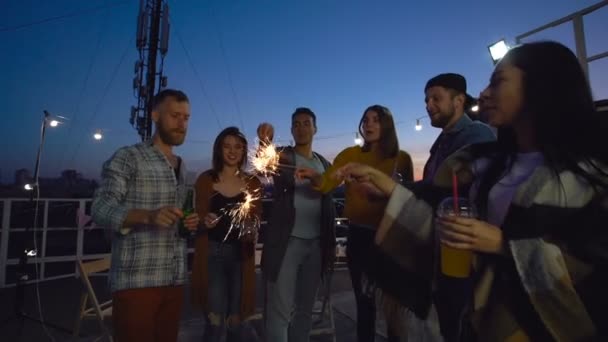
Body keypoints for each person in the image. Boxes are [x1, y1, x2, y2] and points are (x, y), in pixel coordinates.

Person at [337, 41, 608, 341]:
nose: (484, 94)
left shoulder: (591, 175)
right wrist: (387, 186)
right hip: (479, 318)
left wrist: (504, 245)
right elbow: (437, 201)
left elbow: (592, 268)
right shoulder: (487, 163)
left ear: (541, 85)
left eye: (498, 81)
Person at [297, 105, 413, 342]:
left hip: (392, 240)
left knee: (395, 308)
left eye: (376, 120)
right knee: (365, 304)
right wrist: (314, 176)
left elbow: (408, 201)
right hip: (360, 239)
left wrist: (381, 192)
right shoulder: (350, 155)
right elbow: (327, 184)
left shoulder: (402, 159)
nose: (369, 125)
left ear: (387, 125)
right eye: (366, 120)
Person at [91, 89, 200, 342]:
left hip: (175, 278)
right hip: (137, 280)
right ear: (154, 115)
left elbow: (183, 218)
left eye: (186, 117)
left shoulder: (183, 167)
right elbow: (100, 209)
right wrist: (147, 216)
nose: (182, 124)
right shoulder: (129, 157)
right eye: (175, 115)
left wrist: (190, 222)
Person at [422, 73, 496, 341]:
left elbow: (445, 190)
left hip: (466, 254)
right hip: (441, 250)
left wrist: (394, 190)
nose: (429, 105)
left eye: (436, 99)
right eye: (427, 100)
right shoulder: (440, 142)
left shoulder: (477, 134)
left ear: (459, 101)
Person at [257, 107, 336, 342]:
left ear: (315, 128)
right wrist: (265, 140)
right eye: (296, 124)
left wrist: (317, 178)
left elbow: (330, 189)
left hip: (316, 245)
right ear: (291, 129)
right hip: (286, 243)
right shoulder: (283, 157)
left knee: (305, 310)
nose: (301, 128)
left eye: (306, 123)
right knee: (279, 311)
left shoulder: (324, 163)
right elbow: (264, 164)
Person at [190, 126, 262, 342]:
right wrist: (203, 220)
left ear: (244, 151)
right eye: (227, 146)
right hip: (212, 254)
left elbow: (257, 217)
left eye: (238, 147)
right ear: (218, 149)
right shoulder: (205, 180)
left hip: (242, 256)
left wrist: (252, 226)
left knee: (237, 321)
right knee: (214, 320)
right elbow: (195, 218)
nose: (232, 151)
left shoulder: (252, 183)